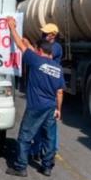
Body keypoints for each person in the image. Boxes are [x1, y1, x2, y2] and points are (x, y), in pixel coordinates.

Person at [5, 17, 65, 177]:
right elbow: (60, 92)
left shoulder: (35, 61)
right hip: (51, 107)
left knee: (24, 137)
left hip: (35, 107)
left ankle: (20, 167)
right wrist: (59, 109)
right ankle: (47, 167)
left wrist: (12, 28)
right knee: (49, 137)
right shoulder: (58, 69)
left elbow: (19, 45)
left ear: (39, 51)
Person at [30, 23, 63, 161]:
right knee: (41, 124)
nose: (43, 35)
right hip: (46, 87)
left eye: (47, 34)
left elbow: (41, 57)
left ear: (53, 35)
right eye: (43, 33)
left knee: (48, 126)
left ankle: (48, 151)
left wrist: (28, 48)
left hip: (49, 87)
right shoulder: (47, 44)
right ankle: (38, 150)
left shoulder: (55, 48)